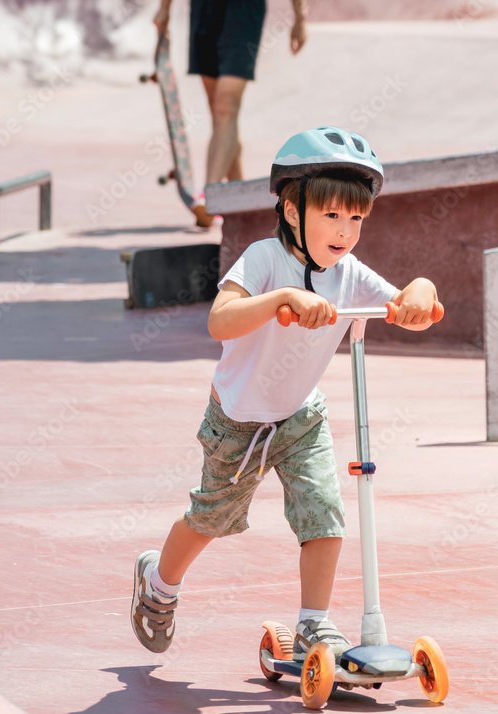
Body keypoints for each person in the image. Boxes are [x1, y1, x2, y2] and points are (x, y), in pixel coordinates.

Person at [131, 126, 440, 657]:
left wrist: (420, 290)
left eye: (356, 218)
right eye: (332, 215)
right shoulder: (263, 259)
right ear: (293, 211)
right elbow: (220, 321)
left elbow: (415, 308)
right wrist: (283, 297)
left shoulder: (348, 272)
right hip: (239, 423)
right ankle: (158, 584)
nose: (345, 231)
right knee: (210, 520)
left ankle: (313, 624)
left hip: (301, 418)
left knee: (324, 514)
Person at [153, 0, 308, 226]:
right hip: (203, 11)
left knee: (225, 107)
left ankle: (211, 198)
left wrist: (299, 17)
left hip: (243, 12)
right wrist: (164, 9)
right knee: (221, 116)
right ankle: (242, 207)